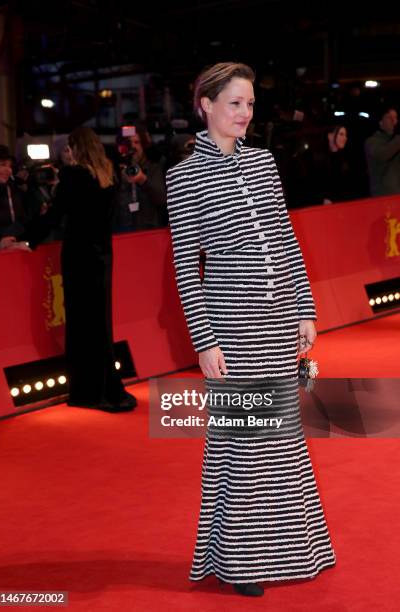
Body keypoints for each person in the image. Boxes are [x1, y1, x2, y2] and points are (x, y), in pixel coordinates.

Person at [166, 62, 336, 597]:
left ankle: (292, 552)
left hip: (278, 322)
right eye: (236, 103)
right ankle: (240, 563)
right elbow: (185, 268)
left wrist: (304, 310)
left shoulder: (263, 164)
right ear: (206, 105)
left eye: (250, 105)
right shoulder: (183, 175)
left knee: (282, 443)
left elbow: (285, 241)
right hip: (232, 329)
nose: (245, 114)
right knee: (241, 447)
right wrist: (205, 341)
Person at [28, 128, 137, 413]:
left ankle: (89, 391)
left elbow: (54, 216)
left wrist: (28, 240)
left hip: (79, 256)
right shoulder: (107, 176)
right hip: (102, 255)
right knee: (100, 324)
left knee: (81, 324)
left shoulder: (73, 177)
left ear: (76, 148)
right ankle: (108, 388)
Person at [114, 124, 167, 231]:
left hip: (149, 230)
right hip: (123, 230)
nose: (133, 147)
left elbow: (162, 199)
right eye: (128, 143)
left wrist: (143, 179)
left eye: (137, 142)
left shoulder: (154, 166)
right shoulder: (116, 169)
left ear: (144, 145)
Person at [0, 144, 30, 251]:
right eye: (3, 164)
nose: (9, 170)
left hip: (13, 254)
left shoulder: (13, 190)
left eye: (10, 166)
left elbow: (22, 221)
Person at [365, 105, 400, 196]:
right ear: (380, 122)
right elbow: (383, 154)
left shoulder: (396, 140)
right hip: (382, 197)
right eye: (389, 117)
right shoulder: (371, 142)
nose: (393, 121)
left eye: (395, 117)